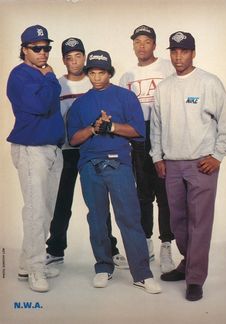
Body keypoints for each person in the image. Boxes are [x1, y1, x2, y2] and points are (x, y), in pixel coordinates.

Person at [150, 31, 226, 301]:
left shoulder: (209, 82)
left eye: (184, 51)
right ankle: (188, 262)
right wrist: (157, 157)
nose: (178, 57)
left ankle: (195, 278)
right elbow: (156, 126)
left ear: (193, 53)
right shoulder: (164, 88)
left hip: (202, 164)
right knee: (178, 222)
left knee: (200, 222)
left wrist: (218, 155)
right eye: (174, 51)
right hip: (172, 164)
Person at [67, 50, 161, 294]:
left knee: (129, 217)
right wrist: (93, 128)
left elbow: (138, 130)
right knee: (97, 219)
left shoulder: (125, 97)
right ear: (88, 74)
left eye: (102, 72)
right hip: (90, 166)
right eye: (93, 73)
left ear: (109, 73)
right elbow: (74, 139)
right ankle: (103, 266)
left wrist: (112, 126)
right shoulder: (80, 103)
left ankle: (142, 273)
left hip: (118, 163)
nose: (97, 77)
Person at [46, 38, 128, 269]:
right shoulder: (58, 85)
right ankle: (55, 250)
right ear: (63, 60)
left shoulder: (95, 83)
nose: (74, 62)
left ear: (85, 57)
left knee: (101, 202)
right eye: (69, 58)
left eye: (78, 56)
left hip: (94, 150)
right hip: (67, 151)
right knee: (62, 202)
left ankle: (111, 250)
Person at [7, 25, 65, 292]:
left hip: (52, 149)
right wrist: (51, 78)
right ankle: (36, 267)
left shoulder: (41, 77)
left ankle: (24, 264)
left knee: (46, 210)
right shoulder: (19, 76)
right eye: (37, 48)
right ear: (24, 50)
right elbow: (42, 105)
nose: (43, 53)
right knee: (35, 210)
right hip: (31, 149)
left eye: (46, 48)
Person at [119, 25, 175, 273]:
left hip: (165, 132)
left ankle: (166, 246)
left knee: (165, 194)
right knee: (143, 194)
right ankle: (146, 242)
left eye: (147, 41)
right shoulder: (127, 76)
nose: (142, 46)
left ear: (154, 44)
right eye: (137, 42)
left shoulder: (167, 67)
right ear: (133, 45)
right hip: (139, 135)